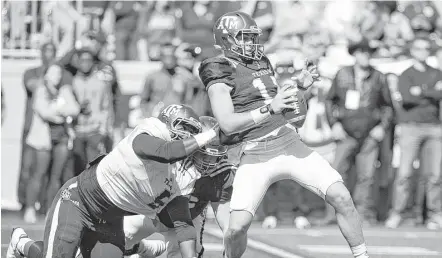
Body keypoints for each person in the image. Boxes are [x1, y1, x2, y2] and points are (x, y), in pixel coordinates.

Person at [198, 11, 369, 258]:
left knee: (342, 196)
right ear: (226, 40)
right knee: (236, 229)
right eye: (244, 37)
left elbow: (274, 99)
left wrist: (298, 85)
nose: (251, 43)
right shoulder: (218, 69)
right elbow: (227, 124)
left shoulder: (261, 61)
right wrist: (270, 109)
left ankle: (362, 255)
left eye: (253, 37)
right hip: (254, 152)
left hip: (289, 142)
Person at [7, 104, 219, 258]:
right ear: (166, 123)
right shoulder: (148, 134)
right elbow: (166, 151)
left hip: (110, 220)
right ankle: (22, 244)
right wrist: (208, 136)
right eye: (184, 127)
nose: (187, 135)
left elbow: (183, 224)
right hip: (78, 202)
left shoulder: (180, 176)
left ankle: (140, 248)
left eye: (192, 132)